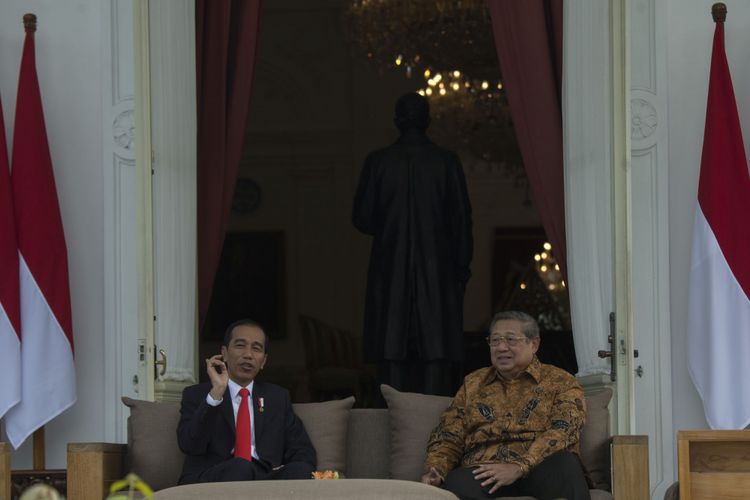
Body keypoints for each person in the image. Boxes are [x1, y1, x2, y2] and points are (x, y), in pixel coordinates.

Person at [352, 92, 473, 396]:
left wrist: (392, 224)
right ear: (428, 120)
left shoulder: (378, 162)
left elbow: (362, 218)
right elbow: (461, 221)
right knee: (437, 356)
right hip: (438, 274)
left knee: (391, 355)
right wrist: (461, 270)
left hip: (390, 271)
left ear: (396, 120)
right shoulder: (445, 161)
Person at [421, 311, 590, 500]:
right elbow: (449, 435)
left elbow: (563, 430)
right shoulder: (473, 383)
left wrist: (519, 467)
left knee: (565, 465)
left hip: (540, 467)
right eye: (495, 340)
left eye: (510, 339)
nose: (501, 347)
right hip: (487, 471)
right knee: (457, 481)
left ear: (534, 344)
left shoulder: (561, 381)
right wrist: (436, 469)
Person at [177, 319, 316, 484]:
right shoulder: (197, 394)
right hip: (214, 478)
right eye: (240, 345)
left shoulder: (277, 398)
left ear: (263, 361)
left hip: (264, 477)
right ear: (225, 353)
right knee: (241, 467)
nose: (248, 355)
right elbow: (190, 445)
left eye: (256, 348)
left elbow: (302, 449)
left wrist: (285, 467)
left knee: (301, 470)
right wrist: (215, 396)